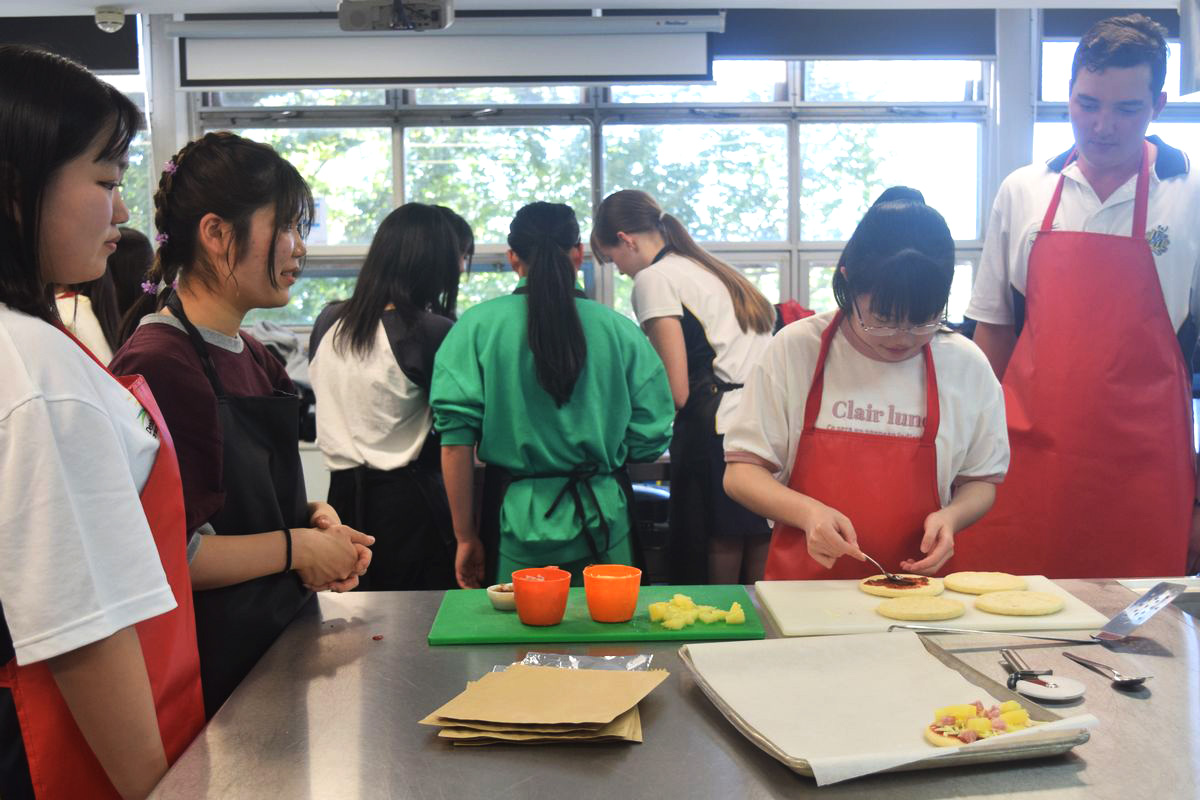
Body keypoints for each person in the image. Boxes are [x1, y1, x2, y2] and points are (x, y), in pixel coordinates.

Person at [110, 131, 373, 717]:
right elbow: (173, 554)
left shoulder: (250, 352)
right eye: (286, 227)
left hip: (274, 651)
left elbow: (243, 499)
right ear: (216, 234)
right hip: (214, 675)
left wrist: (314, 520)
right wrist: (298, 547)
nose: (299, 249)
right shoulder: (159, 363)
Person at [0, 45, 204, 799]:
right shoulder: (32, 370)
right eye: (106, 181)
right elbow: (84, 627)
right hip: (60, 749)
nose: (121, 212)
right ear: (17, 188)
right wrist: (163, 789)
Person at [963, 14, 1200, 577]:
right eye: (1087, 104)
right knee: (1012, 621)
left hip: (1146, 468)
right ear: (1068, 95)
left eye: (1126, 109)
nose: (1102, 126)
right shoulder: (1024, 191)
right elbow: (992, 331)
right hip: (1028, 458)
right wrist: (968, 456)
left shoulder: (1188, 196)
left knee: (1138, 637)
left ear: (1158, 105)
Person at [722, 194, 1009, 579]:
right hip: (805, 591)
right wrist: (809, 513)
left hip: (919, 589)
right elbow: (742, 474)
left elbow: (980, 481)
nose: (902, 337)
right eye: (884, 318)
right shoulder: (797, 349)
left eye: (923, 320)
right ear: (848, 283)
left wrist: (953, 517)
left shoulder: (965, 364)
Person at [431, 202, 674, 588]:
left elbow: (455, 444)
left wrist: (466, 537)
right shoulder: (620, 331)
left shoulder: (476, 328)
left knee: (521, 644)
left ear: (514, 258)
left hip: (517, 522)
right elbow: (650, 438)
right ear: (578, 253)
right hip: (606, 516)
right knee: (613, 641)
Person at [591, 189, 774, 585]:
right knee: (759, 542)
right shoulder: (707, 267)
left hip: (714, 429)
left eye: (613, 259)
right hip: (763, 424)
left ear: (626, 239)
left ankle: (719, 647)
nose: (621, 272)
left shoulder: (654, 278)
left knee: (715, 551)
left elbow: (674, 391)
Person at [309, 203, 461, 590]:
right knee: (419, 624)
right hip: (410, 502)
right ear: (434, 264)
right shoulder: (430, 331)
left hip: (340, 501)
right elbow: (460, 429)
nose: (459, 268)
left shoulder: (329, 321)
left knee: (355, 619)